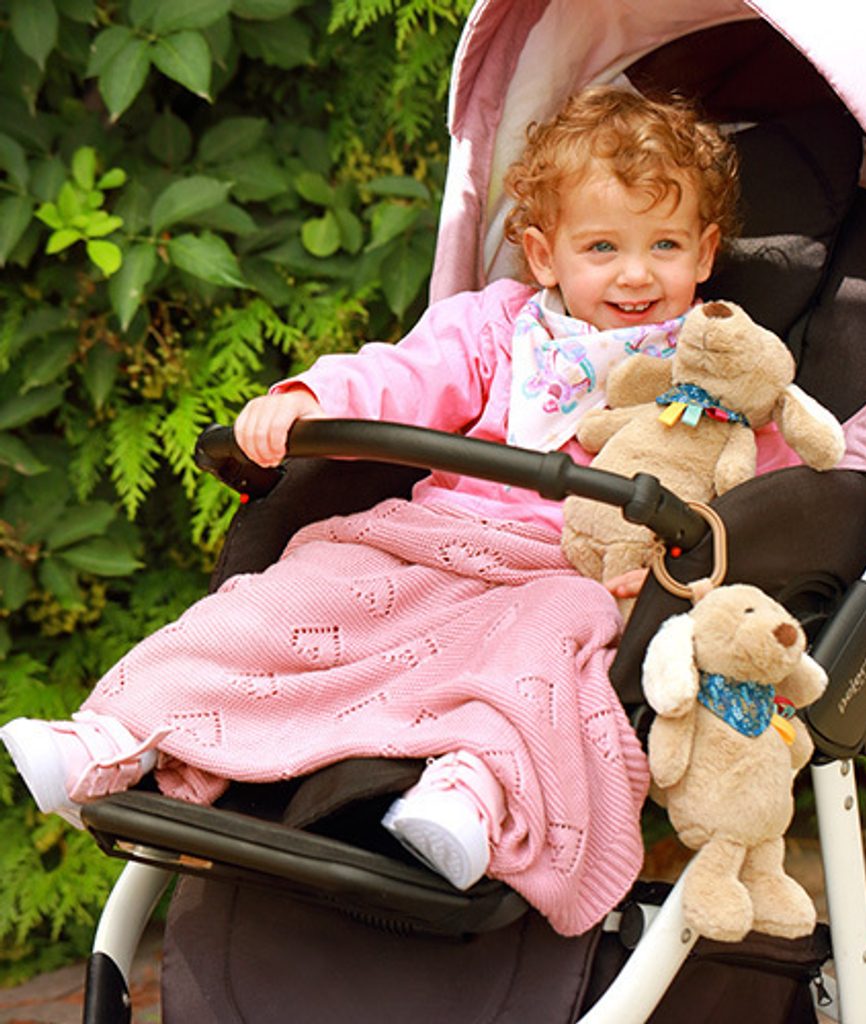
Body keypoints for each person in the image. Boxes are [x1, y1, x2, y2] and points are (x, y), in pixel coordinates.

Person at [0, 85, 749, 937]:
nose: (636, 273)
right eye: (602, 246)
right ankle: (125, 734)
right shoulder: (497, 328)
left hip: (567, 571)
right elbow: (401, 376)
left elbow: (754, 490)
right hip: (433, 542)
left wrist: (677, 575)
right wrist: (311, 398)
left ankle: (474, 797)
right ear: (545, 256)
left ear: (704, 252)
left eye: (664, 245)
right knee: (287, 597)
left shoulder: (719, 366)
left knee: (545, 654)